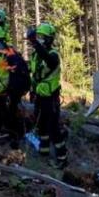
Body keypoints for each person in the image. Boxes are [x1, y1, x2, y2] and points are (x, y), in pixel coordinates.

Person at [26, 22, 67, 168]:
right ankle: (43, 154)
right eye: (38, 36)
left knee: (53, 129)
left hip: (51, 99)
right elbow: (33, 71)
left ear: (49, 39)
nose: (40, 39)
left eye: (42, 37)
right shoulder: (36, 55)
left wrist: (34, 42)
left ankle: (62, 159)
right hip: (39, 97)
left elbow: (49, 62)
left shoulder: (52, 55)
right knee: (41, 127)